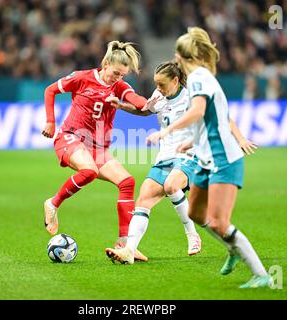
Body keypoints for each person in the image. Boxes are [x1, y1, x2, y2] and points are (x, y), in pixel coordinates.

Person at [145, 27, 271, 289]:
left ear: (180, 57)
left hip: (223, 158)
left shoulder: (199, 78)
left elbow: (199, 111)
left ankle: (261, 274)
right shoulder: (200, 78)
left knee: (219, 221)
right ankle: (233, 247)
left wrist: (168, 130)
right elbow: (215, 116)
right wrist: (194, 141)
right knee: (196, 212)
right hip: (204, 155)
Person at [105, 61, 257, 265]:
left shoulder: (191, 98)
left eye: (162, 84)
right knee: (144, 199)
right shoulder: (159, 96)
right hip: (165, 156)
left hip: (190, 154)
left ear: (176, 80)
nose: (158, 89)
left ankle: (192, 234)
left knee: (171, 185)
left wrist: (240, 139)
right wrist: (121, 106)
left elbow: (223, 118)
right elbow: (145, 111)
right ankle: (129, 251)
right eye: (156, 84)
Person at [41, 40, 150, 262]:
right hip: (69, 137)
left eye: (122, 75)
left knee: (127, 182)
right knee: (88, 171)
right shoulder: (82, 78)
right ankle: (52, 203)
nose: (117, 78)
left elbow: (138, 101)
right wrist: (50, 122)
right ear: (106, 63)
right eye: (115, 73)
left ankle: (124, 243)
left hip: (97, 147)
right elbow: (50, 90)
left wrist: (153, 101)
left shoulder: (119, 87)